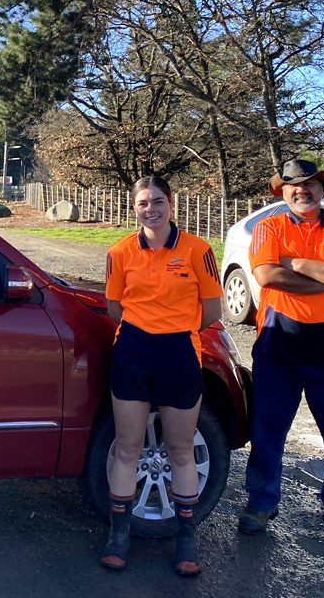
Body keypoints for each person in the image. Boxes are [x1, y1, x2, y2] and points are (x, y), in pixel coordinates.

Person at [239, 160, 324, 554]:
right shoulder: (267, 227)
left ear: (322, 190)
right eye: (293, 186)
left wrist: (293, 263)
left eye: (310, 184)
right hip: (277, 349)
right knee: (266, 433)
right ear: (282, 192)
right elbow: (266, 277)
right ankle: (261, 504)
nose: (302, 191)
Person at [101, 176, 223, 576]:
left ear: (171, 203)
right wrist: (145, 329)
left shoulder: (198, 250)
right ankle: (120, 534)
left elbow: (211, 310)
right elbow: (115, 308)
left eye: (157, 201)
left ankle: (186, 539)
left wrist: (176, 328)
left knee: (181, 449)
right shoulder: (119, 251)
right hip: (132, 352)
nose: (149, 209)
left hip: (179, 355)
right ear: (132, 207)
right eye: (142, 203)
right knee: (127, 447)